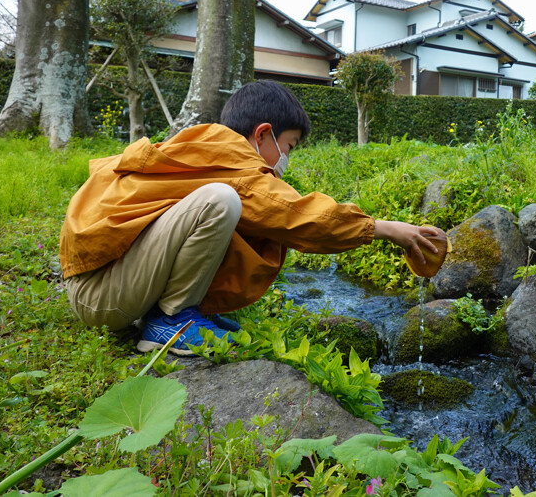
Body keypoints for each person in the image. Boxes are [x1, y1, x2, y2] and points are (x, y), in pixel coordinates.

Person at [59, 80, 442, 356]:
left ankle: (170, 315)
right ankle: (169, 322)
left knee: (224, 206)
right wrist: (388, 229)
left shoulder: (205, 148)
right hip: (103, 296)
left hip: (106, 284)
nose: (287, 159)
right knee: (220, 202)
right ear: (262, 135)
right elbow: (299, 217)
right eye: (288, 146)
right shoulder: (232, 164)